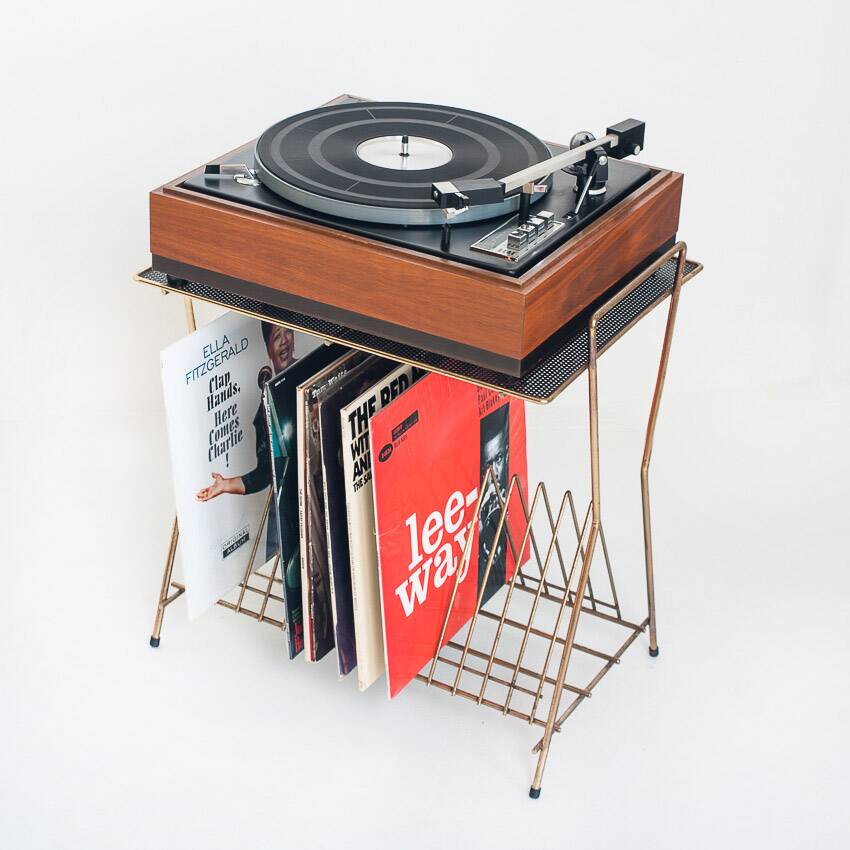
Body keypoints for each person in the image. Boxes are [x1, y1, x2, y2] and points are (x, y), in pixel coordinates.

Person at [195, 323, 295, 502]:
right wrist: (225, 485)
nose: (284, 341)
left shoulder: (313, 372)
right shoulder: (264, 410)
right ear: (268, 350)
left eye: (287, 331)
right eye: (276, 337)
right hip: (291, 497)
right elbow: (264, 473)